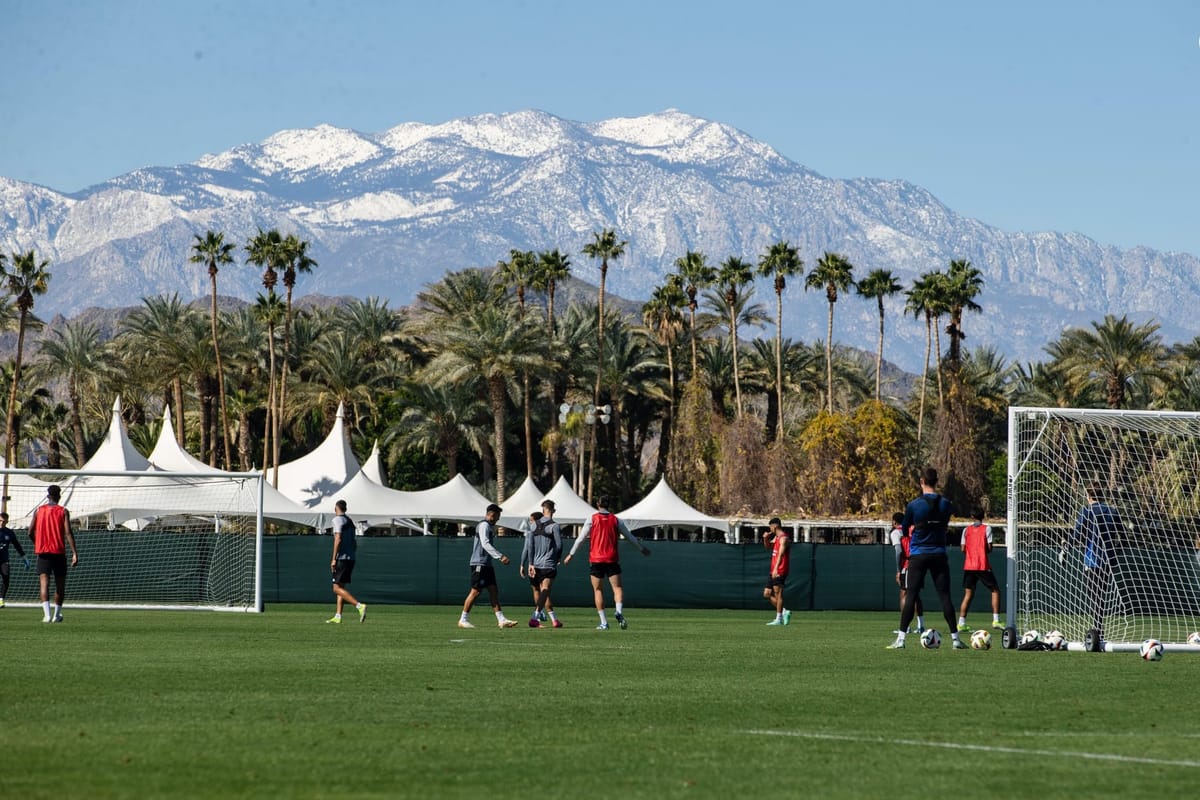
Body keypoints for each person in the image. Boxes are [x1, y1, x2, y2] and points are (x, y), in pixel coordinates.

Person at [888, 467, 964, 649]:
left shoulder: (914, 505)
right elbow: (944, 525)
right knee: (945, 596)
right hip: (939, 554)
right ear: (937, 481)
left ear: (921, 481)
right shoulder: (946, 504)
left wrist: (917, 528)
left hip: (918, 555)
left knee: (911, 595)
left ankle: (901, 640)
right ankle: (955, 639)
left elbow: (905, 530)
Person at [563, 496, 650, 630]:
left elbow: (580, 539)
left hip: (596, 560)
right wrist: (641, 549)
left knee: (598, 590)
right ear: (609, 505)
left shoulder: (592, 519)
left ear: (598, 504)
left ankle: (604, 622)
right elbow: (629, 537)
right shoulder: (616, 520)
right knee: (617, 588)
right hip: (612, 559)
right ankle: (618, 611)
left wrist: (571, 554)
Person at [1067, 483, 1122, 639]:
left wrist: (1066, 547)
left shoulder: (1086, 511)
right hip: (1108, 561)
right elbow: (1123, 535)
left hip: (1092, 561)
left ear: (1088, 495)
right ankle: (1099, 628)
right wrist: (1115, 552)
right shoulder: (1112, 511)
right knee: (1100, 596)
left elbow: (1077, 535)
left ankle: (1098, 630)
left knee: (1095, 597)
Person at [458, 503, 519, 629]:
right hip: (479, 563)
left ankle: (501, 620)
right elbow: (485, 544)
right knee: (475, 591)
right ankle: (463, 620)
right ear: (492, 514)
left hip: (487, 564)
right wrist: (500, 556)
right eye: (498, 516)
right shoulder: (484, 525)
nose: (498, 518)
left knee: (493, 591)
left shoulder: (489, 526)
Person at [30, 484, 79, 623]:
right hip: (58, 552)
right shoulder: (63, 511)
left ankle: (47, 615)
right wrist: (74, 553)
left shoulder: (38, 511)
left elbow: (30, 532)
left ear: (48, 496)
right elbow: (68, 532)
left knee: (44, 584)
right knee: (60, 585)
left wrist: (37, 544)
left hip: (43, 552)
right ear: (59, 496)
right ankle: (56, 615)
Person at [957, 507, 1002, 632]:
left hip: (969, 565)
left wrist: (971, 551)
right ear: (983, 516)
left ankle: (961, 623)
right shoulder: (987, 528)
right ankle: (996, 620)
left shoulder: (966, 530)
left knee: (968, 594)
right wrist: (981, 550)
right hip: (981, 564)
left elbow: (962, 548)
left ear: (972, 516)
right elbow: (989, 548)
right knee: (995, 590)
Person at [520, 499, 563, 628]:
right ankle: (535, 617)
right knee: (545, 590)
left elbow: (529, 546)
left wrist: (530, 563)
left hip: (535, 565)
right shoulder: (554, 526)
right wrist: (557, 558)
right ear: (553, 510)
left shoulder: (533, 525)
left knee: (542, 592)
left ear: (543, 509)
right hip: (548, 564)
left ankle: (553, 619)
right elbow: (559, 545)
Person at [326, 499, 366, 624]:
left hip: (341, 559)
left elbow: (338, 539)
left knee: (336, 588)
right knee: (341, 587)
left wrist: (333, 558)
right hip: (351, 558)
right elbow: (354, 542)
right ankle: (338, 616)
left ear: (336, 508)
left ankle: (359, 606)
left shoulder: (337, 520)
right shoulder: (350, 521)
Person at [888, 511, 925, 634]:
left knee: (904, 594)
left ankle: (906, 627)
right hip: (920, 562)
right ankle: (921, 626)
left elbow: (899, 551)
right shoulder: (913, 529)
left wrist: (899, 570)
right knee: (916, 595)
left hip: (908, 565)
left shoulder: (896, 532)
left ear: (894, 522)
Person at [762, 517, 791, 626]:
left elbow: (781, 554)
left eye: (770, 527)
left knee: (778, 594)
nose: (770, 529)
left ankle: (778, 619)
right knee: (767, 594)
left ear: (774, 526)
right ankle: (784, 611)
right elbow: (768, 547)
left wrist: (776, 568)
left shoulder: (784, 538)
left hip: (780, 569)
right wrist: (765, 538)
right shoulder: (776, 538)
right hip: (773, 570)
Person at [0, 511, 30, 608]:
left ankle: (1, 599)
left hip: (4, 560)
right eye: (0, 521)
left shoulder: (9, 533)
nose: (2, 523)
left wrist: (25, 558)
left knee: (6, 577)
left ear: (7, 522)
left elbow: (17, 546)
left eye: (4, 521)